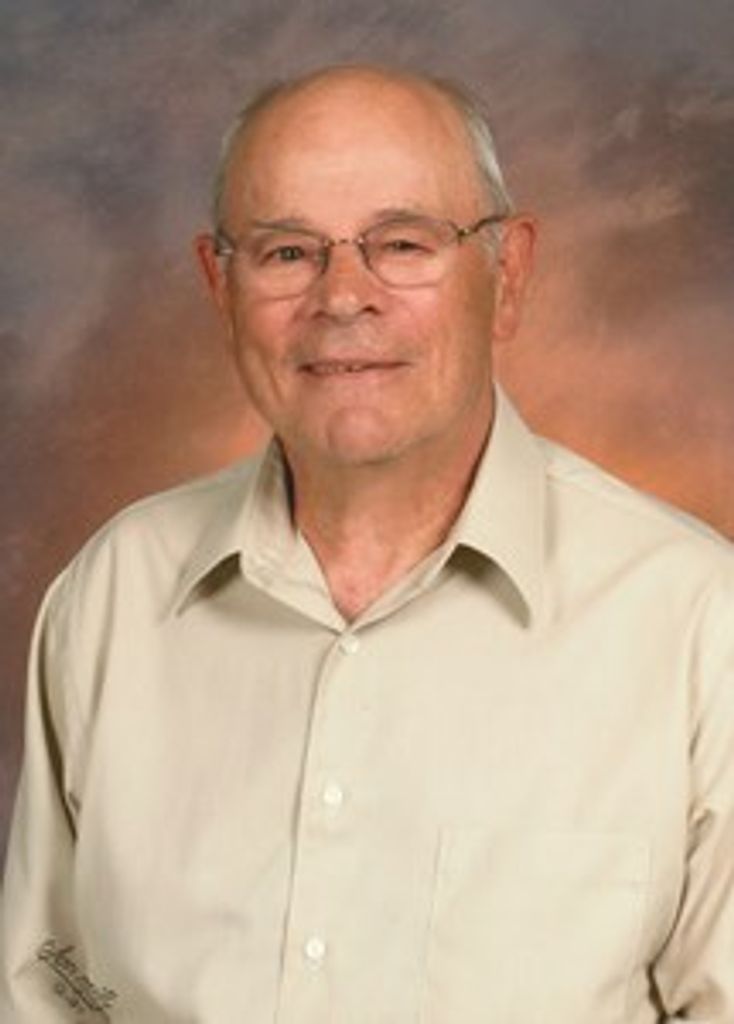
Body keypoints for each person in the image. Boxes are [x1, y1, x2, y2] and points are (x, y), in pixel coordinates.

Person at [1, 63, 733, 1024]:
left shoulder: (696, 623)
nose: (344, 297)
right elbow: (54, 984)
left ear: (508, 273)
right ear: (220, 286)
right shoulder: (112, 596)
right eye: (287, 252)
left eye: (403, 243)